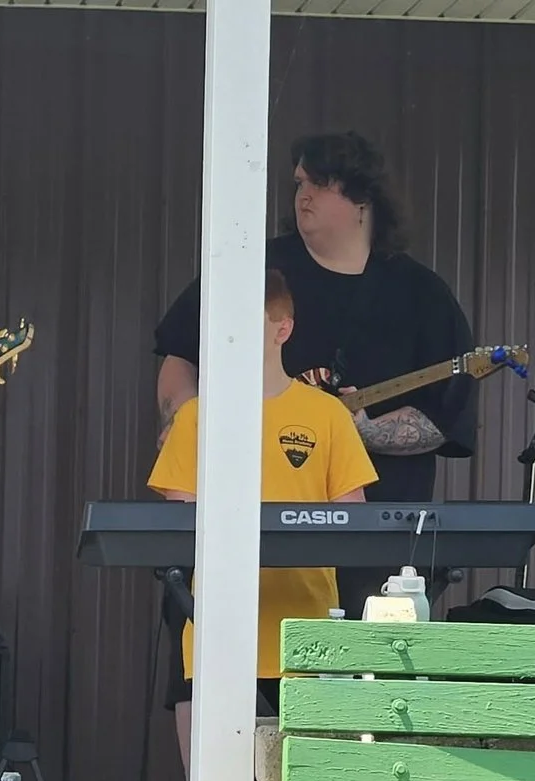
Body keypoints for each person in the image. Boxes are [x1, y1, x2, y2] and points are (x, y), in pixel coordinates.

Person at [150, 130, 476, 617]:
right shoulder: (251, 270)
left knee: (356, 678)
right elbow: (180, 354)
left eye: (321, 184)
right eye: (300, 182)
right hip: (238, 522)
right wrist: (183, 422)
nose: (303, 194)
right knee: (206, 669)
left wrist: (361, 431)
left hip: (371, 537)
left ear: (363, 198)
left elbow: (442, 420)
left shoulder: (420, 294)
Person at [149, 266, 375, 766]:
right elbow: (179, 524)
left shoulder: (327, 415)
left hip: (308, 633)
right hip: (216, 632)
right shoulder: (196, 416)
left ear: (282, 328)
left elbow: (353, 525)